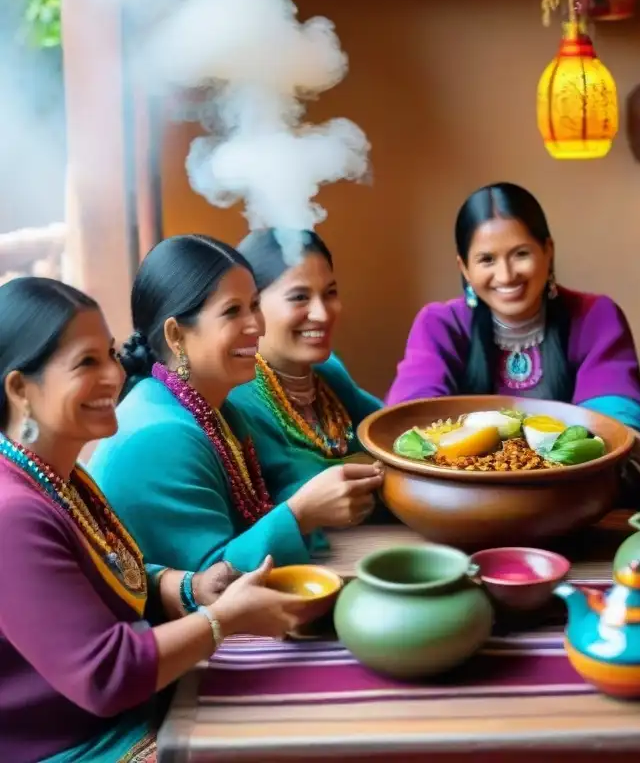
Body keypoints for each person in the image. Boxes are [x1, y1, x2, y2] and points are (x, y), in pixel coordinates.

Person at [0, 277, 308, 763]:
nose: (114, 375)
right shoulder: (11, 514)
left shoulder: (56, 475)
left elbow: (101, 573)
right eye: (86, 363)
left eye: (109, 354)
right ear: (20, 388)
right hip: (79, 746)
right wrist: (222, 620)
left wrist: (184, 587)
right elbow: (105, 675)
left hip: (128, 713)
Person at [88, 235, 383, 573]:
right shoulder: (161, 435)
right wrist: (300, 514)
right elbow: (212, 581)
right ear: (176, 335)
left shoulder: (216, 409)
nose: (256, 325)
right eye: (232, 311)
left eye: (254, 305)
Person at [386, 182, 640, 471]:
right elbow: (412, 417)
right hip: (464, 492)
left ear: (548, 251)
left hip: (571, 489)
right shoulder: (439, 324)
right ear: (464, 268)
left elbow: (613, 412)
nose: (506, 275)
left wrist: (625, 436)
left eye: (520, 254)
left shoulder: (596, 316)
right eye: (487, 260)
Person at [229, 229, 388, 543]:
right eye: (300, 297)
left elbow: (391, 433)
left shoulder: (328, 371)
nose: (322, 313)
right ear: (252, 306)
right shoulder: (236, 395)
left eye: (330, 292)